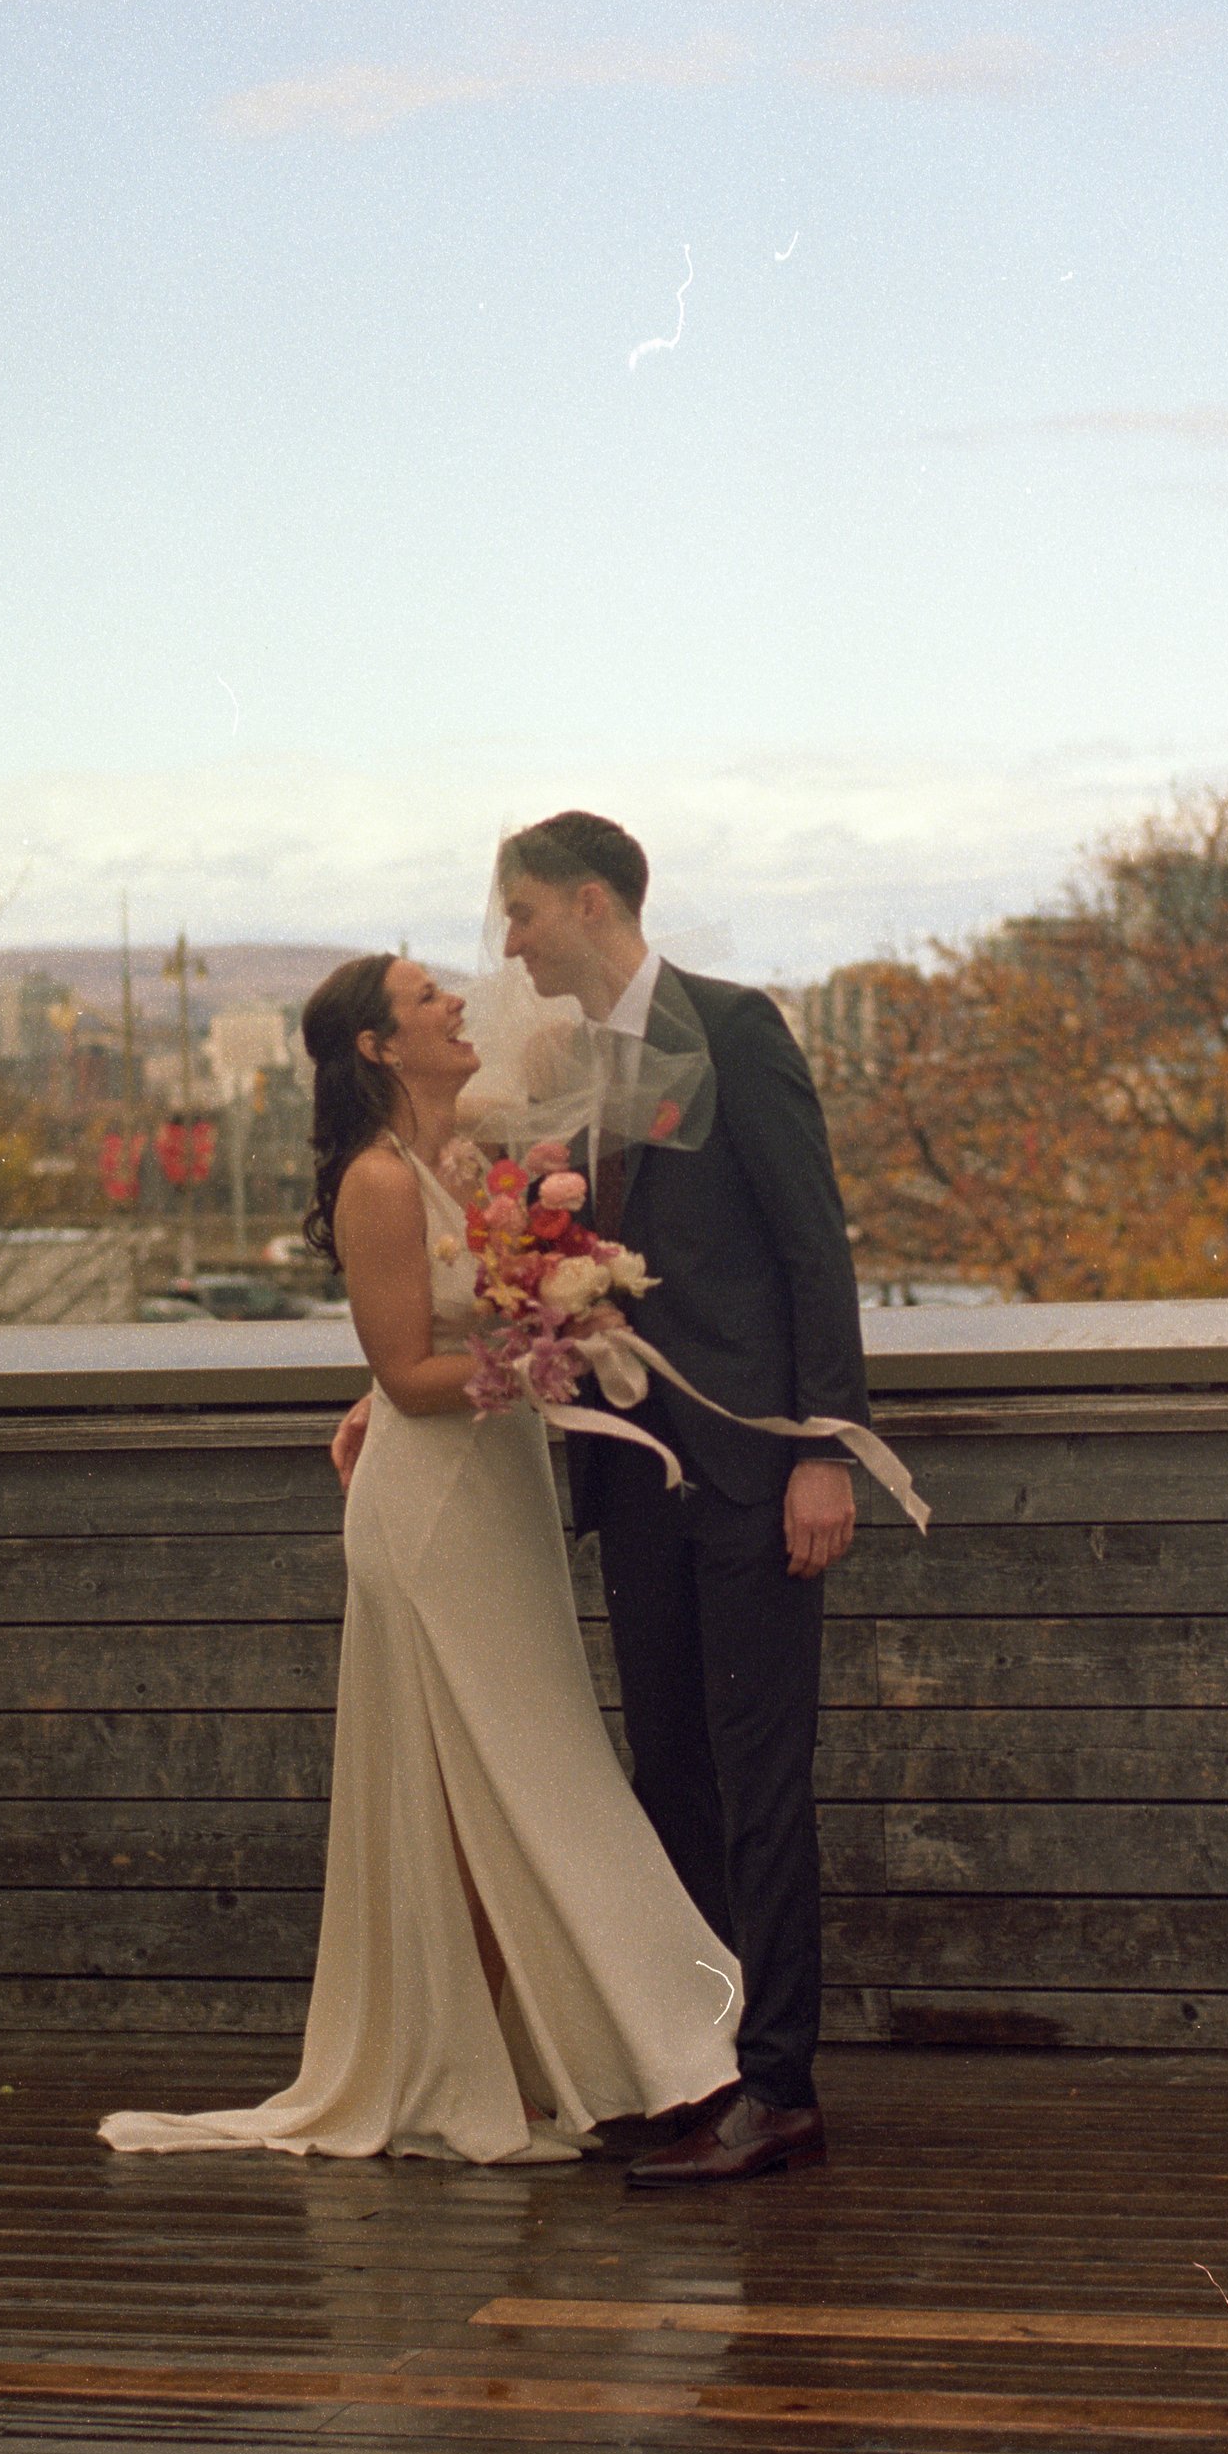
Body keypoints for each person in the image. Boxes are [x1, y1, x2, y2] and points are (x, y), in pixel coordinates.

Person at [97, 950, 741, 2168]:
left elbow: (454, 1308)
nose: (458, 1003)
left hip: (494, 1496)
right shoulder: (380, 1182)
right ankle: (618, 2052)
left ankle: (533, 2052)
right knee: (506, 1775)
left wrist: (549, 1311)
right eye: (427, 999)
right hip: (435, 1507)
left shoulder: (466, 1156)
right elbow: (409, 1374)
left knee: (512, 1774)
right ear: (380, 1048)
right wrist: (543, 1356)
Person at [394, 809, 868, 2187]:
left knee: (762, 1779)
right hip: (635, 1473)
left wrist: (823, 1447)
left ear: (592, 902)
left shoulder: (736, 1029)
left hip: (753, 1467)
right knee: (670, 1774)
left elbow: (811, 1248)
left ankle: (779, 2087)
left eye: (524, 912)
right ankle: (695, 2065)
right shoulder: (563, 1070)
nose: (507, 940)